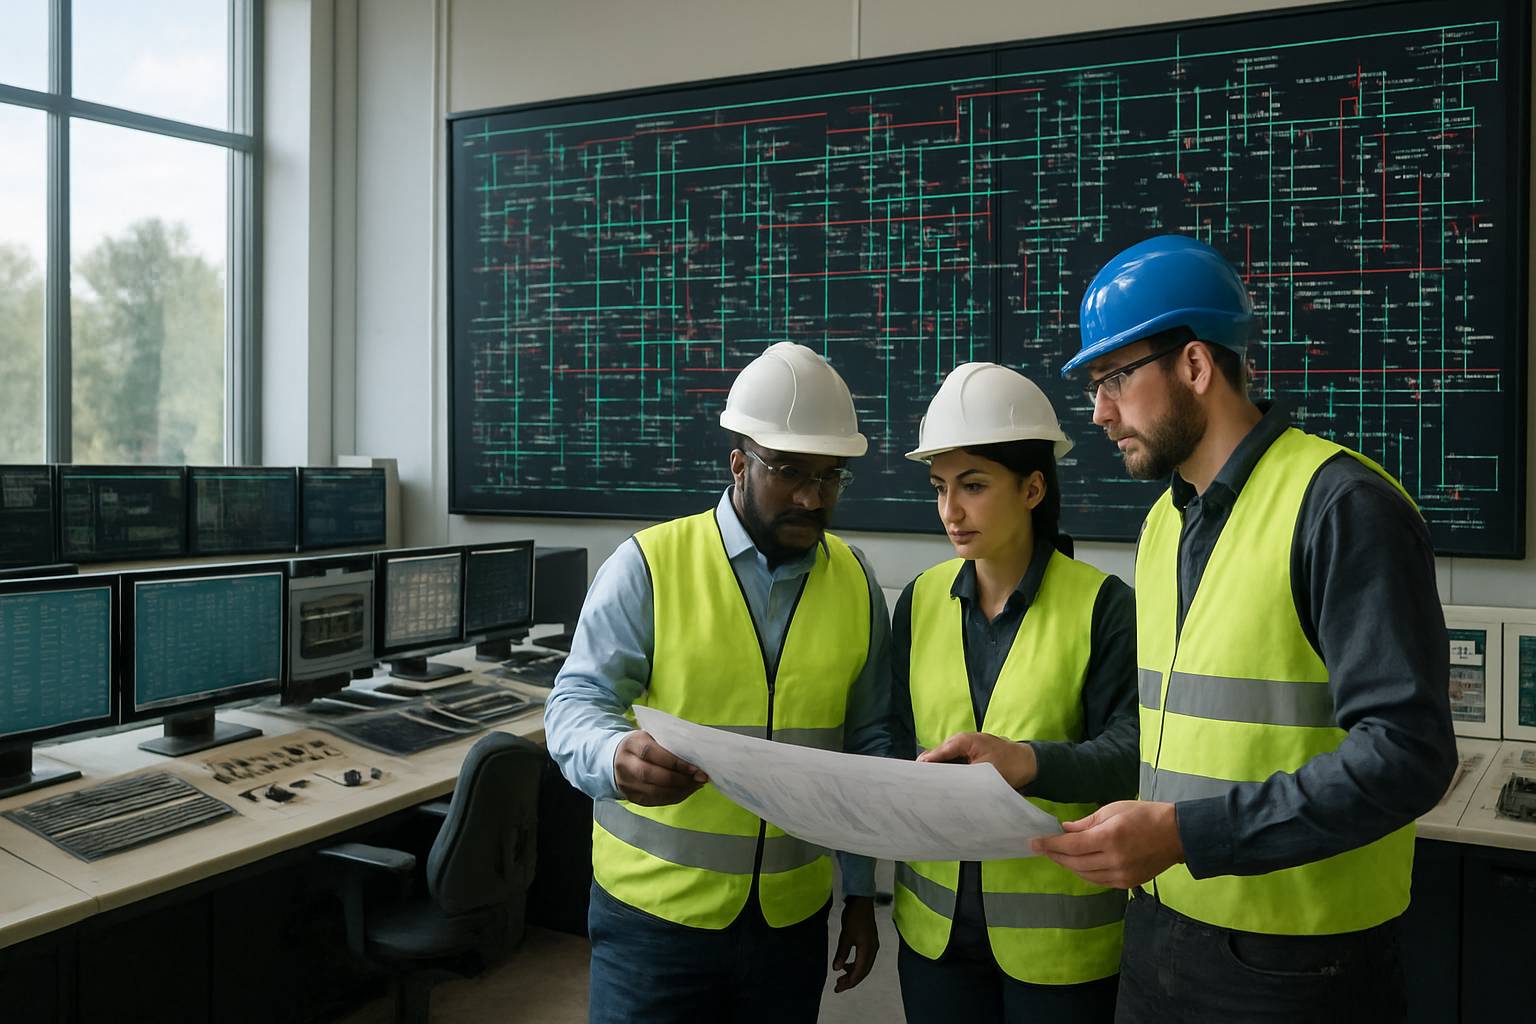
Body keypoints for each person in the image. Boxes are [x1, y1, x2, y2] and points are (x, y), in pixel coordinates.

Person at [1019, 234, 1455, 1022]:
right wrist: (1027, 762)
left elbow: (1408, 755)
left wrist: (1191, 835)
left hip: (1298, 964)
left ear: (1195, 366)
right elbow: (1174, 746)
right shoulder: (1163, 527)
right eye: (1093, 385)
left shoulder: (1341, 507)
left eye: (1114, 377)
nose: (1098, 412)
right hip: (1158, 934)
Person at [544, 341, 892, 1023]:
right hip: (654, 920)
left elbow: (864, 745)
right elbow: (575, 706)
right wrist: (614, 756)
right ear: (739, 463)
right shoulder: (647, 565)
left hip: (791, 921)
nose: (810, 496)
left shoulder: (855, 582)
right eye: (789, 470)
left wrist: (859, 894)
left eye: (830, 476)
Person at [895, 362, 1139, 1023]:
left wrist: (1030, 761)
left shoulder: (1104, 606)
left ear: (1032, 488)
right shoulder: (918, 602)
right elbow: (893, 741)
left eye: (973, 485)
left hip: (1060, 947)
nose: (951, 510)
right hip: (933, 931)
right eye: (940, 486)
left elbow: (1135, 755)